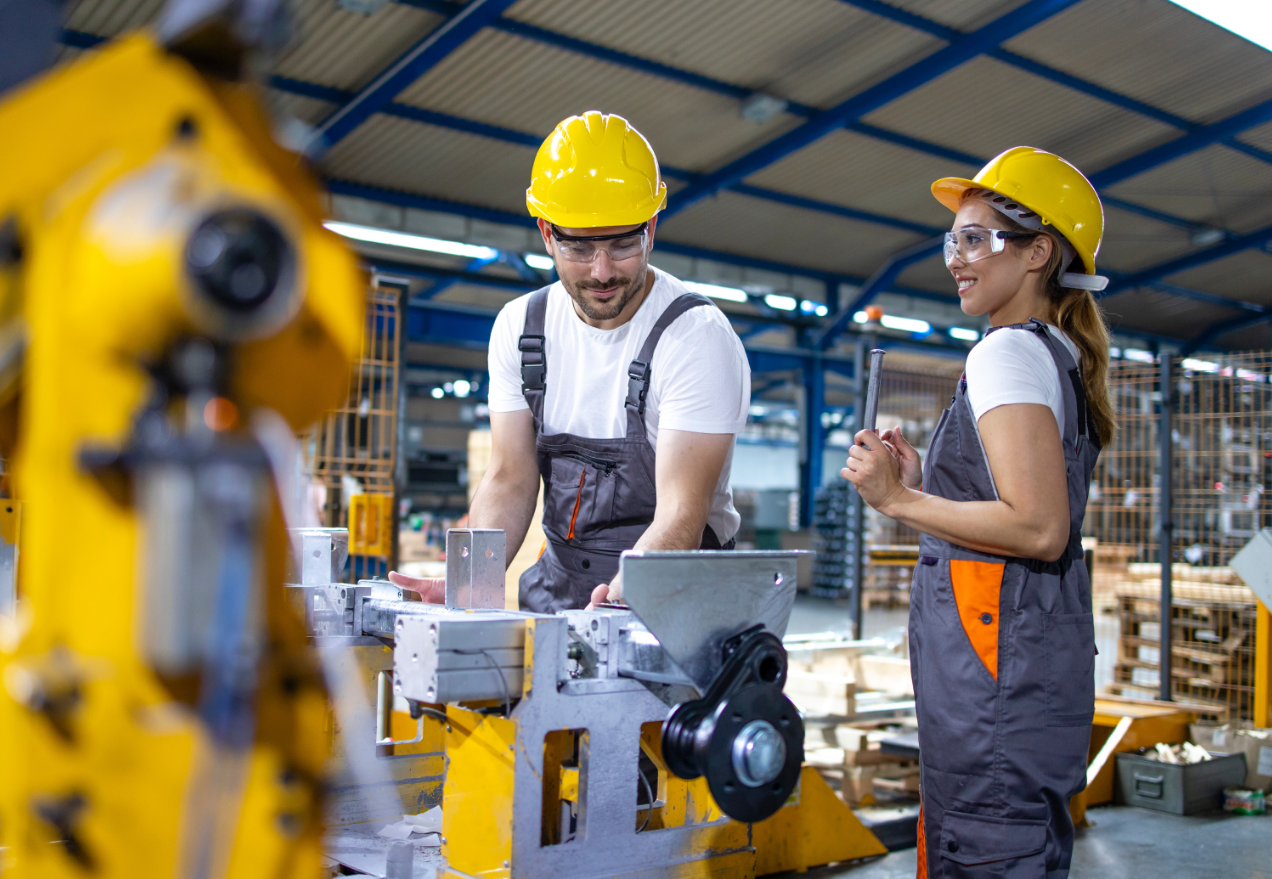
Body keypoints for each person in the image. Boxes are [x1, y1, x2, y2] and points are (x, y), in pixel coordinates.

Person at [841, 147, 1114, 879]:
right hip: (1022, 667)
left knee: (986, 845)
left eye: (976, 238)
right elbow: (1026, 506)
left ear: (1038, 253)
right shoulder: (1054, 354)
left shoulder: (1005, 355)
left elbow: (1038, 526)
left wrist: (900, 499)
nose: (956, 258)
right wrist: (931, 480)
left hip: (993, 673)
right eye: (951, 240)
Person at [391, 111, 749, 611]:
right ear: (546, 233)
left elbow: (680, 515)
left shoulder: (695, 338)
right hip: (558, 590)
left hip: (672, 592)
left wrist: (614, 613)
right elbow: (510, 477)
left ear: (651, 228)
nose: (602, 271)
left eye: (623, 243)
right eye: (579, 246)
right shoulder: (521, 328)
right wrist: (466, 585)